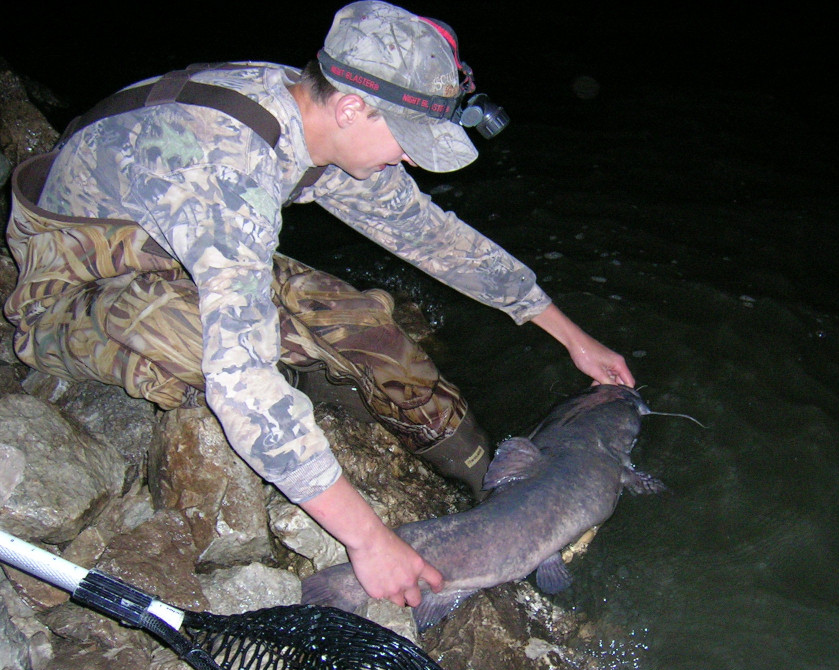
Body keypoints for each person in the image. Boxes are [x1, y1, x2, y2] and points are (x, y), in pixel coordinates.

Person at [4, 1, 634, 611]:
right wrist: (368, 539)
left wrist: (567, 333)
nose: (412, 159)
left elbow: (429, 234)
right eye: (410, 141)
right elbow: (240, 379)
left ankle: (476, 480)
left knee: (364, 325)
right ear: (355, 107)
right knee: (215, 354)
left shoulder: (315, 114)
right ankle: (328, 428)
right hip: (73, 287)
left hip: (177, 247)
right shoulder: (228, 166)